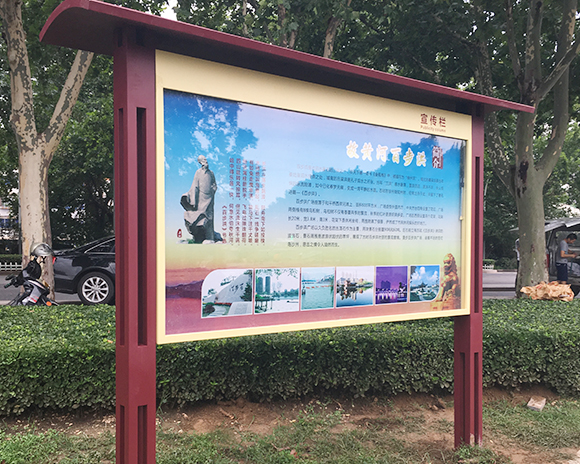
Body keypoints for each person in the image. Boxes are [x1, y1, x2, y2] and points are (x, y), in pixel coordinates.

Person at [181, 155, 217, 243]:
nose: (206, 161)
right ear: (200, 162)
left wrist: (213, 190)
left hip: (210, 198)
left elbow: (214, 184)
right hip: (201, 197)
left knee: (209, 217)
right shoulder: (198, 172)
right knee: (199, 215)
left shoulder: (211, 173)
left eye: (206, 159)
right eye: (203, 160)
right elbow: (195, 185)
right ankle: (199, 237)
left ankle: (210, 237)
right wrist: (192, 197)